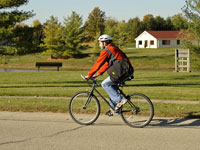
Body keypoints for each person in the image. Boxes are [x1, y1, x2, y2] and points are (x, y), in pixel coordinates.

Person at [85, 34, 132, 116]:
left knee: (105, 84)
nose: (99, 44)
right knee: (112, 88)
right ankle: (113, 109)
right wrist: (98, 74)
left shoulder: (107, 50)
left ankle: (120, 100)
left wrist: (89, 75)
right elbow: (107, 64)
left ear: (104, 43)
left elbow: (98, 63)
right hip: (126, 71)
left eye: (100, 43)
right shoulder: (113, 49)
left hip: (120, 71)